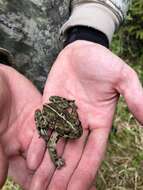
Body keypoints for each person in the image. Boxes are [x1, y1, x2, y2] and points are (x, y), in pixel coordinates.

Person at [1, 0, 143, 190]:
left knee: (89, 144)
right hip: (37, 101)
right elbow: (51, 147)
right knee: (42, 130)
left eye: (75, 126)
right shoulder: (58, 132)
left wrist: (89, 32)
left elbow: (68, 117)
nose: (75, 131)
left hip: (62, 64)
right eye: (71, 130)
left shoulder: (72, 121)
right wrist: (56, 159)